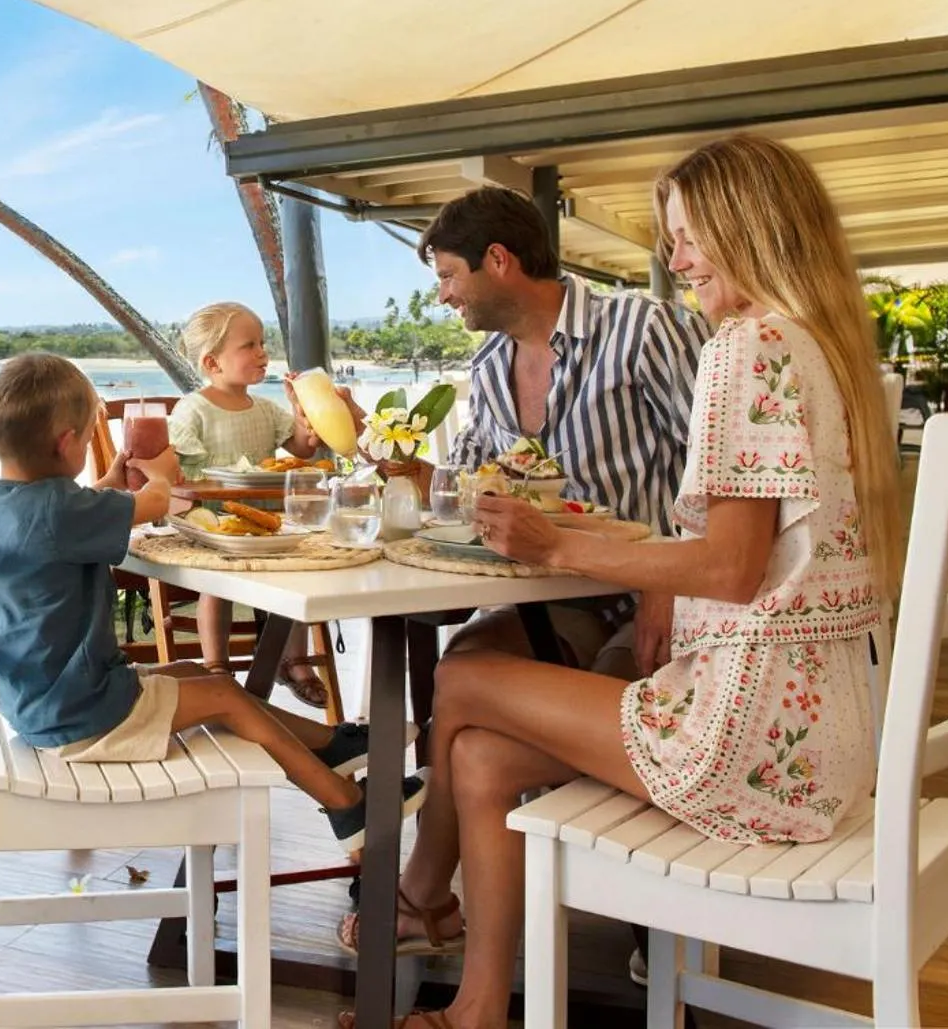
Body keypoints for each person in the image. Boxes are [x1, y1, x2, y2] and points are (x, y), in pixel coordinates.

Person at [336, 135, 898, 1029]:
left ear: (748, 226)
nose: (674, 260)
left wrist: (560, 549)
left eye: (687, 236)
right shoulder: (817, 345)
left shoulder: (743, 345)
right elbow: (753, 552)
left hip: (746, 735)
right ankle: (477, 1006)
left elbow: (728, 565)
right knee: (478, 753)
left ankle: (417, 899)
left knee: (464, 678)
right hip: (822, 733)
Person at [0, 351, 420, 852]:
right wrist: (162, 471)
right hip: (82, 716)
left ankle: (329, 744)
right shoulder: (61, 511)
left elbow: (73, 516)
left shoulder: (2, 501)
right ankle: (348, 806)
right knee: (226, 697)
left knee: (198, 674)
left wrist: (110, 480)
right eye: (85, 438)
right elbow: (155, 502)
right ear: (66, 444)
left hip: (41, 700)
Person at [421, 187, 709, 679]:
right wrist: (394, 455)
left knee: (484, 704)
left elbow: (716, 471)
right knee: (461, 670)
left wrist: (668, 586)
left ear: (496, 259)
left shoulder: (642, 329)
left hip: (648, 595)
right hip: (544, 599)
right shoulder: (488, 367)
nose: (443, 294)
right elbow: (462, 495)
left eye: (448, 275)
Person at [167, 302, 360, 705]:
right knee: (214, 583)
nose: (262, 352)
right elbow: (178, 475)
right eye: (249, 345)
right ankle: (216, 667)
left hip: (270, 520)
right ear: (212, 363)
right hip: (217, 524)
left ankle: (293, 661)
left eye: (262, 342)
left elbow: (304, 449)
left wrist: (303, 405)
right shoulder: (193, 410)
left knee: (295, 572)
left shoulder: (267, 409)